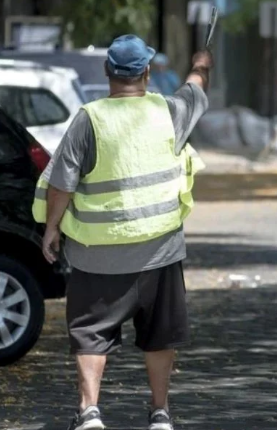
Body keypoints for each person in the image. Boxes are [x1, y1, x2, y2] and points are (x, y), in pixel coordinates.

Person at [31, 34, 213, 430]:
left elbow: (62, 183)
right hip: (160, 253)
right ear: (147, 72)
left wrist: (52, 228)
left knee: (89, 333)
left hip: (98, 254)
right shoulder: (169, 111)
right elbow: (195, 87)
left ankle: (89, 412)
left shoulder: (90, 119)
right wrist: (201, 63)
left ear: (107, 71)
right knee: (159, 335)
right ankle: (160, 412)